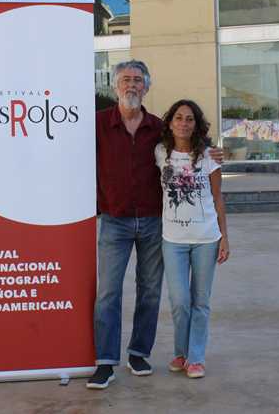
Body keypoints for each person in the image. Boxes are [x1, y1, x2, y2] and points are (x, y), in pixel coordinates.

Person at [88, 60, 222, 389]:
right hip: (114, 220)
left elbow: (187, 146)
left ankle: (138, 353)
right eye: (125, 80)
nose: (131, 85)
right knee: (107, 292)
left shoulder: (156, 130)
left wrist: (214, 153)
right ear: (115, 86)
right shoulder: (97, 124)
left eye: (137, 80)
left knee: (149, 292)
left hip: (153, 221)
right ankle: (105, 361)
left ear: (146, 87)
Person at [155, 100, 229, 379]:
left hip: (206, 238)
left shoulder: (209, 156)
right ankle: (181, 352)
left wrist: (224, 237)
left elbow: (218, 197)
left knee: (201, 300)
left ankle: (195, 357)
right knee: (179, 301)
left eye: (189, 119)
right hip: (172, 239)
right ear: (170, 122)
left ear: (196, 124)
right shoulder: (161, 152)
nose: (183, 123)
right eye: (178, 118)